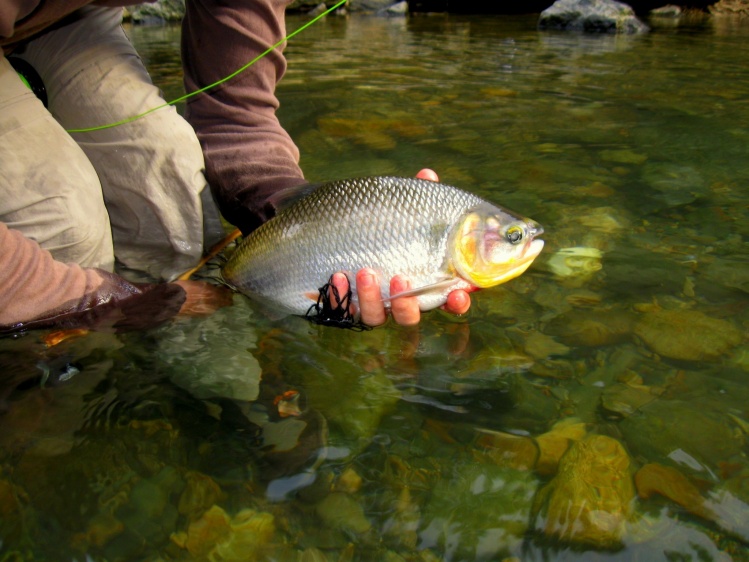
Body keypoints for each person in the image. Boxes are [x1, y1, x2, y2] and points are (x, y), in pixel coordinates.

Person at [0, 0, 471, 332]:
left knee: (170, 175)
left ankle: (179, 360)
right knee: (63, 217)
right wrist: (99, 300)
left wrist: (307, 228)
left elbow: (236, 115)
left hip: (70, 18)